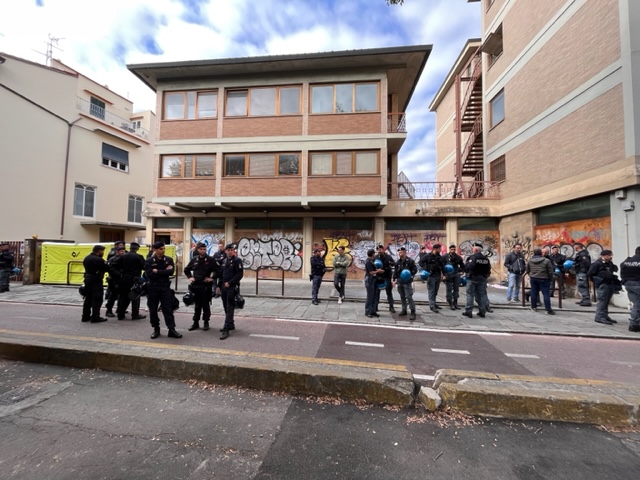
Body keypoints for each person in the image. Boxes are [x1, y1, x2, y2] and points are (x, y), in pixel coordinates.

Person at [144, 241, 182, 339]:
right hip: (153, 288)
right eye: (161, 249)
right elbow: (149, 274)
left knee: (168, 309)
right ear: (154, 249)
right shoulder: (149, 261)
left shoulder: (168, 259)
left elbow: (171, 272)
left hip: (165, 288)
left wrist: (158, 271)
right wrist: (164, 271)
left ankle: (171, 329)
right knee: (153, 309)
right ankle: (156, 329)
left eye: (164, 248)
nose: (163, 250)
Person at [184, 242, 219, 331]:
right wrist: (190, 277)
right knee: (197, 305)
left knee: (205, 305)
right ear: (198, 250)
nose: (203, 251)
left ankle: (206, 322)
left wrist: (212, 278)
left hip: (205, 286)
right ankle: (195, 322)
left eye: (204, 249)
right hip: (195, 286)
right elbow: (186, 269)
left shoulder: (210, 260)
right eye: (201, 249)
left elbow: (218, 270)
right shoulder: (195, 259)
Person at [115, 242, 147, 321]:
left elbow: (116, 266)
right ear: (137, 248)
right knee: (135, 297)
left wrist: (121, 275)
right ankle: (135, 314)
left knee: (124, 297)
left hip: (125, 279)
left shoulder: (123, 256)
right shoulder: (139, 256)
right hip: (135, 279)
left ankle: (120, 314)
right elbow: (144, 267)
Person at [219, 243, 244, 340]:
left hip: (232, 287)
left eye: (231, 250)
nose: (230, 251)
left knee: (229, 307)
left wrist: (230, 283)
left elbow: (240, 274)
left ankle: (226, 329)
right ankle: (231, 324)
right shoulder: (224, 261)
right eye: (228, 250)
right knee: (226, 306)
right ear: (225, 251)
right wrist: (219, 286)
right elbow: (222, 274)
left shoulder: (237, 261)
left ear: (233, 251)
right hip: (224, 287)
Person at [588, 249, 619, 325]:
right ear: (603, 256)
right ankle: (599, 317)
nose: (611, 257)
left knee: (606, 301)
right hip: (602, 284)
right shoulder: (597, 264)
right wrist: (598, 280)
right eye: (609, 255)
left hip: (610, 283)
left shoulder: (609, 263)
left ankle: (605, 315)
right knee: (602, 301)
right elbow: (590, 274)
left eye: (611, 255)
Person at [81, 245, 110, 323]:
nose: (103, 252)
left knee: (88, 299)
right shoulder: (98, 259)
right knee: (97, 299)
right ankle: (95, 317)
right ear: (99, 251)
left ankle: (85, 316)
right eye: (102, 251)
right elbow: (106, 268)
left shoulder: (87, 258)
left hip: (87, 280)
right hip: (96, 281)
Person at [462, 244, 491, 318]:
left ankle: (469, 311)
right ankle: (482, 311)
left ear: (476, 250)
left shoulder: (473, 258)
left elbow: (470, 267)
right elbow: (488, 269)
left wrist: (467, 265)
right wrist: (485, 276)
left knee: (470, 295)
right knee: (482, 295)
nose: (472, 250)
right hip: (482, 279)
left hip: (472, 278)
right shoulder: (485, 259)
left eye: (473, 249)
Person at [526, 248, 555, 315]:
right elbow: (550, 271)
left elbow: (527, 270)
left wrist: (531, 275)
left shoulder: (530, 260)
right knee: (546, 294)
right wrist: (550, 278)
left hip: (533, 278)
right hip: (544, 278)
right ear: (541, 253)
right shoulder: (547, 261)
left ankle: (533, 307)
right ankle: (548, 309)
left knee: (534, 292)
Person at [393, 246, 418, 320]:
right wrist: (394, 280)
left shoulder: (410, 261)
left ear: (405, 252)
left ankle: (413, 312)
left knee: (409, 297)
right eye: (399, 252)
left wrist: (410, 274)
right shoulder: (398, 262)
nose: (399, 253)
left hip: (407, 282)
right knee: (402, 296)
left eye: (401, 252)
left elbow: (415, 269)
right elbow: (395, 272)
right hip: (400, 282)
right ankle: (404, 310)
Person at [419, 243, 444, 312]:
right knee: (431, 291)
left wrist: (443, 274)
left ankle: (434, 303)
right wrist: (426, 269)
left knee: (435, 291)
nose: (440, 250)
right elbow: (420, 262)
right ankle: (432, 305)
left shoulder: (439, 257)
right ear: (435, 249)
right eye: (439, 249)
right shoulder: (428, 256)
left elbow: (442, 266)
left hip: (437, 275)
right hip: (431, 276)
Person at [620, 246, 640, 333]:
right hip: (638, 284)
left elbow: (622, 272)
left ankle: (634, 324)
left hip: (629, 285)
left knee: (636, 304)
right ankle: (634, 323)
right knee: (637, 304)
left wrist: (624, 281)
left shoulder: (627, 261)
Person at [442, 244, 465, 310]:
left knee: (456, 289)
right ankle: (450, 303)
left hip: (456, 274)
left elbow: (462, 265)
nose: (453, 250)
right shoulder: (445, 257)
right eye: (452, 249)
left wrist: (462, 271)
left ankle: (455, 303)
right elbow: (442, 266)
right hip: (448, 275)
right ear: (449, 249)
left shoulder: (458, 257)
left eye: (454, 249)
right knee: (449, 289)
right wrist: (443, 275)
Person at [104, 246, 125, 317]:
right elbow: (110, 269)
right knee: (113, 296)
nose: (123, 252)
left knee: (121, 296)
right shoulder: (112, 259)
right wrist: (119, 275)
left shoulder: (124, 259)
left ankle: (119, 309)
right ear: (117, 252)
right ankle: (109, 310)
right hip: (114, 280)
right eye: (121, 251)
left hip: (121, 280)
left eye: (123, 251)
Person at [376, 243, 396, 313]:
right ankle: (375, 306)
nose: (379, 251)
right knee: (377, 292)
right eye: (378, 250)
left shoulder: (388, 257)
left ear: (383, 250)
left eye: (380, 249)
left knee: (389, 292)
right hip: (378, 277)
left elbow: (393, 264)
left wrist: (386, 268)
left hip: (387, 276)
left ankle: (391, 306)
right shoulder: (376, 257)